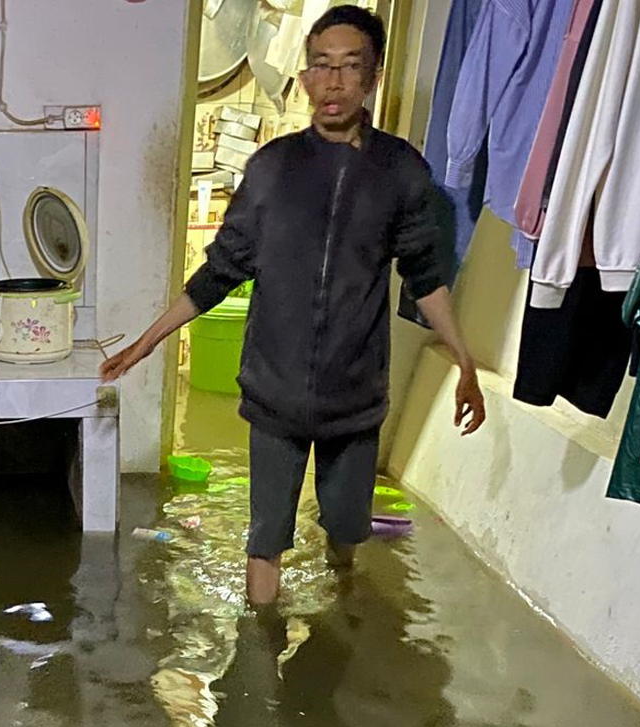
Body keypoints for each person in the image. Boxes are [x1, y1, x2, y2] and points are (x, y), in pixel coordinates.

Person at [102, 4, 485, 606]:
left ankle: (340, 617)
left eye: (349, 67)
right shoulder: (272, 169)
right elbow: (218, 272)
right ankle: (262, 659)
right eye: (320, 67)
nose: (332, 82)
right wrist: (146, 342)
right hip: (275, 391)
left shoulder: (401, 173)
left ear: (373, 76)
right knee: (266, 538)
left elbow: (425, 276)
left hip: (355, 396)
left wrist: (464, 362)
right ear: (304, 76)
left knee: (346, 527)